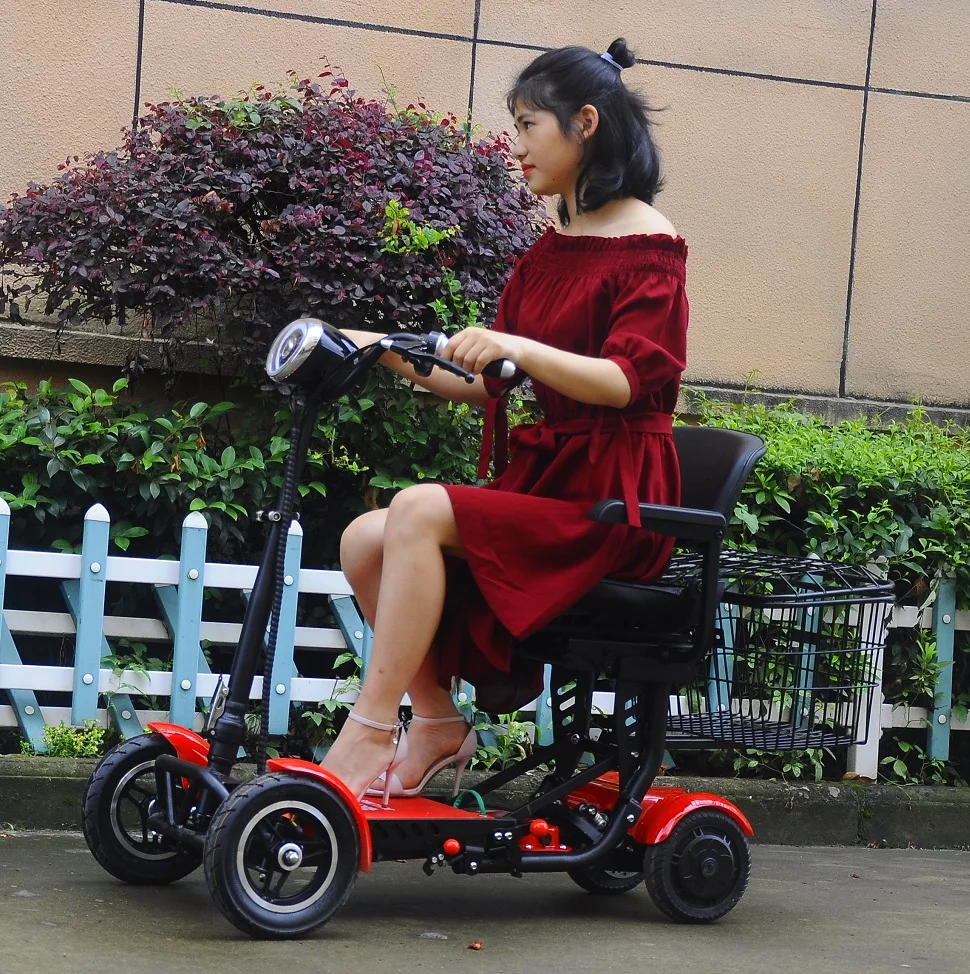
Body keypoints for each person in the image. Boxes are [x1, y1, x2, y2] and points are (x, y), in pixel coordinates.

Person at [323, 37, 689, 805]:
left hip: (613, 501)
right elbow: (489, 382)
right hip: (553, 482)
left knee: (417, 508)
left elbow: (626, 381)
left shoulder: (652, 246)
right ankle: (434, 720)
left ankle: (369, 729)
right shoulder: (551, 249)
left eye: (528, 125)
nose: (516, 146)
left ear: (585, 122)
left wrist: (519, 345)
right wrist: (378, 345)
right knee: (364, 537)